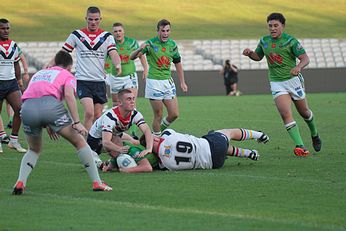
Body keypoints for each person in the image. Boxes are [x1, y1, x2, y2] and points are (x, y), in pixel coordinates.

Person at [12, 51, 112, 195]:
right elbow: (68, 95)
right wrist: (76, 122)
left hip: (27, 109)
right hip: (51, 108)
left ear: (54, 62)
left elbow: (36, 94)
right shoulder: (67, 75)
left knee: (33, 149)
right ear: (69, 67)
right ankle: (97, 182)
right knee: (80, 142)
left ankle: (21, 181)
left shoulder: (39, 73)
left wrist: (48, 123)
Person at [242, 12, 321, 156]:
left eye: (275, 25)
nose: (272, 28)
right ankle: (300, 146)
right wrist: (250, 53)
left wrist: (298, 67)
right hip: (277, 82)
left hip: (293, 81)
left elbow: (305, 58)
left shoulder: (290, 41)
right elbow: (258, 57)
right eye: (270, 26)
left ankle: (314, 134)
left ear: (282, 26)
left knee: (304, 112)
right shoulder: (264, 41)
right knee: (285, 114)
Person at [48, 6, 122, 131]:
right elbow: (64, 52)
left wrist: (118, 64)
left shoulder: (107, 36)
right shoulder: (77, 35)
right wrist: (51, 63)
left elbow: (113, 53)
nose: (93, 22)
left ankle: (92, 141)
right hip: (82, 80)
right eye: (90, 19)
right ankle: (86, 144)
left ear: (100, 19)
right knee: (89, 112)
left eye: (96, 19)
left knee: (98, 115)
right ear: (86, 19)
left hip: (99, 81)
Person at [130, 19, 188, 136]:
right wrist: (140, 49)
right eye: (163, 31)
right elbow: (132, 57)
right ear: (158, 31)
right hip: (154, 82)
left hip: (168, 82)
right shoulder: (150, 44)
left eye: (167, 31)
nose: (165, 33)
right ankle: (156, 139)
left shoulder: (172, 45)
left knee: (174, 114)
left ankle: (156, 132)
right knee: (159, 114)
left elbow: (178, 62)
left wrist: (182, 82)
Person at [133, 128, 269, 171]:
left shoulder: (164, 164)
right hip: (211, 145)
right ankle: (259, 135)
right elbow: (166, 134)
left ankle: (249, 154)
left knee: (221, 148)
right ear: (154, 139)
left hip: (214, 164)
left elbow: (159, 162)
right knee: (229, 133)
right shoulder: (167, 134)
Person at [87, 89, 153, 167]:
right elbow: (106, 142)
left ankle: (114, 161)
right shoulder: (110, 117)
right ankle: (105, 163)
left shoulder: (135, 114)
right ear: (120, 102)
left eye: (133, 99)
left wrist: (149, 149)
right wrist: (119, 149)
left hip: (115, 133)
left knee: (135, 142)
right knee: (116, 151)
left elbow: (146, 130)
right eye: (129, 99)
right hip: (97, 140)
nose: (132, 101)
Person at [104, 22, 148, 138]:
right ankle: (115, 131)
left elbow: (141, 55)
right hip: (115, 77)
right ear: (113, 33)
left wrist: (145, 68)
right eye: (115, 31)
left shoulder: (131, 42)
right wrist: (104, 71)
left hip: (130, 77)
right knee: (115, 104)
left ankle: (133, 133)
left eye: (119, 31)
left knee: (131, 102)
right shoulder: (110, 43)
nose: (118, 33)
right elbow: (104, 58)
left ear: (123, 32)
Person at [0, 18, 27, 153]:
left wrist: (20, 81)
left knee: (20, 110)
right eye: (2, 28)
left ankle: (14, 141)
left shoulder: (13, 45)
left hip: (11, 83)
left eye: (7, 28)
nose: (6, 31)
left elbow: (16, 63)